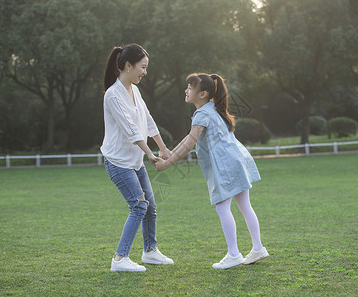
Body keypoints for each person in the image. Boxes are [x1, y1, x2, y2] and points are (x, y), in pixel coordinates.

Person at [156, 73, 269, 269]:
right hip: (236, 161)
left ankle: (234, 254)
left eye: (190, 88)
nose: (186, 90)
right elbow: (189, 138)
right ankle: (258, 248)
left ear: (203, 94)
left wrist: (168, 163)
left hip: (226, 165)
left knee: (222, 208)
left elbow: (190, 143)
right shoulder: (211, 110)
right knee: (244, 206)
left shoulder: (203, 114)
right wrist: (170, 154)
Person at [101, 44, 174, 272]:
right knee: (139, 206)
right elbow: (130, 129)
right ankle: (120, 259)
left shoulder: (135, 90)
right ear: (127, 65)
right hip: (118, 163)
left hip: (134, 162)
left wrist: (163, 148)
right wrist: (150, 154)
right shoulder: (113, 95)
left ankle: (150, 252)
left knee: (150, 207)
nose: (144, 72)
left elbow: (147, 120)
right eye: (142, 67)